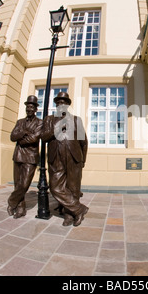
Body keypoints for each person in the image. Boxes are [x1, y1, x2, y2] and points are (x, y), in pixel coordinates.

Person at [41, 92, 89, 226]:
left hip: (74, 157)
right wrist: (57, 128)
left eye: (64, 102)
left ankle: (69, 215)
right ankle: (79, 209)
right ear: (56, 105)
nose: (61, 105)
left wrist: (83, 160)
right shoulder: (49, 120)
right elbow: (44, 137)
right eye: (58, 102)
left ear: (68, 105)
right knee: (55, 187)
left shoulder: (76, 120)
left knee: (73, 188)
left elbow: (83, 142)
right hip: (56, 157)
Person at [7, 95, 43, 219]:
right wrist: (23, 132)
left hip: (31, 157)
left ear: (36, 109)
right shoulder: (20, 122)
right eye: (28, 107)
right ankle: (21, 208)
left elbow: (34, 139)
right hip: (18, 156)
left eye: (32, 107)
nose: (29, 109)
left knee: (24, 184)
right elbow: (12, 137)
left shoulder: (40, 123)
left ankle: (11, 202)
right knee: (18, 184)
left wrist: (21, 138)